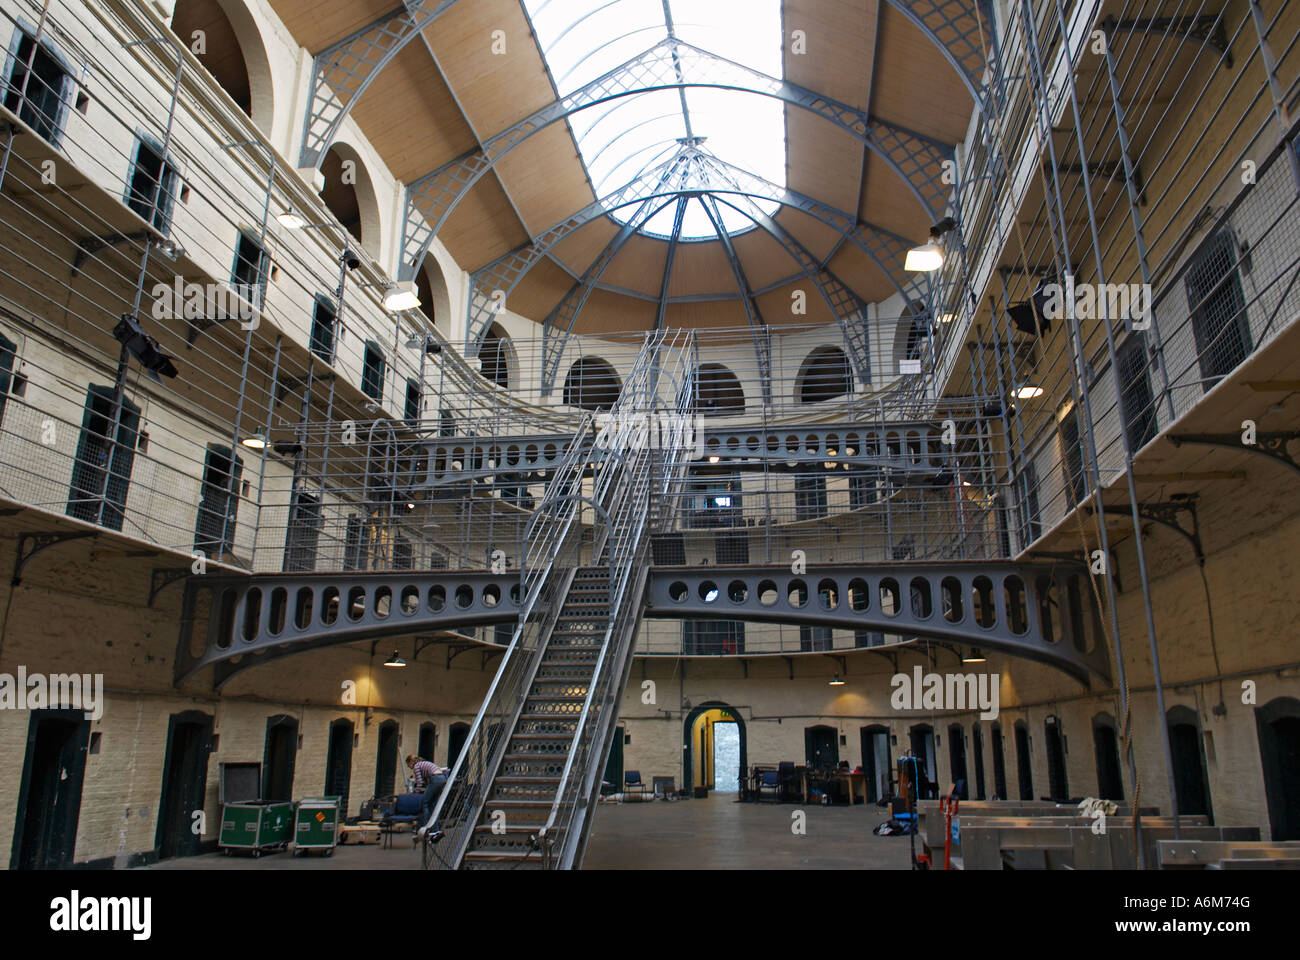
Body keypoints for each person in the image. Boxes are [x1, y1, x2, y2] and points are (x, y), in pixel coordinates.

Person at [405, 754, 448, 838]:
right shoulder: (423, 763)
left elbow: (419, 782)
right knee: (432, 805)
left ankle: (424, 827)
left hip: (435, 779)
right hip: (442, 778)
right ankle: (435, 829)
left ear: (410, 762)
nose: (409, 767)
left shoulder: (416, 766)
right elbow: (427, 781)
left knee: (425, 803)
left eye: (408, 765)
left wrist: (415, 793)